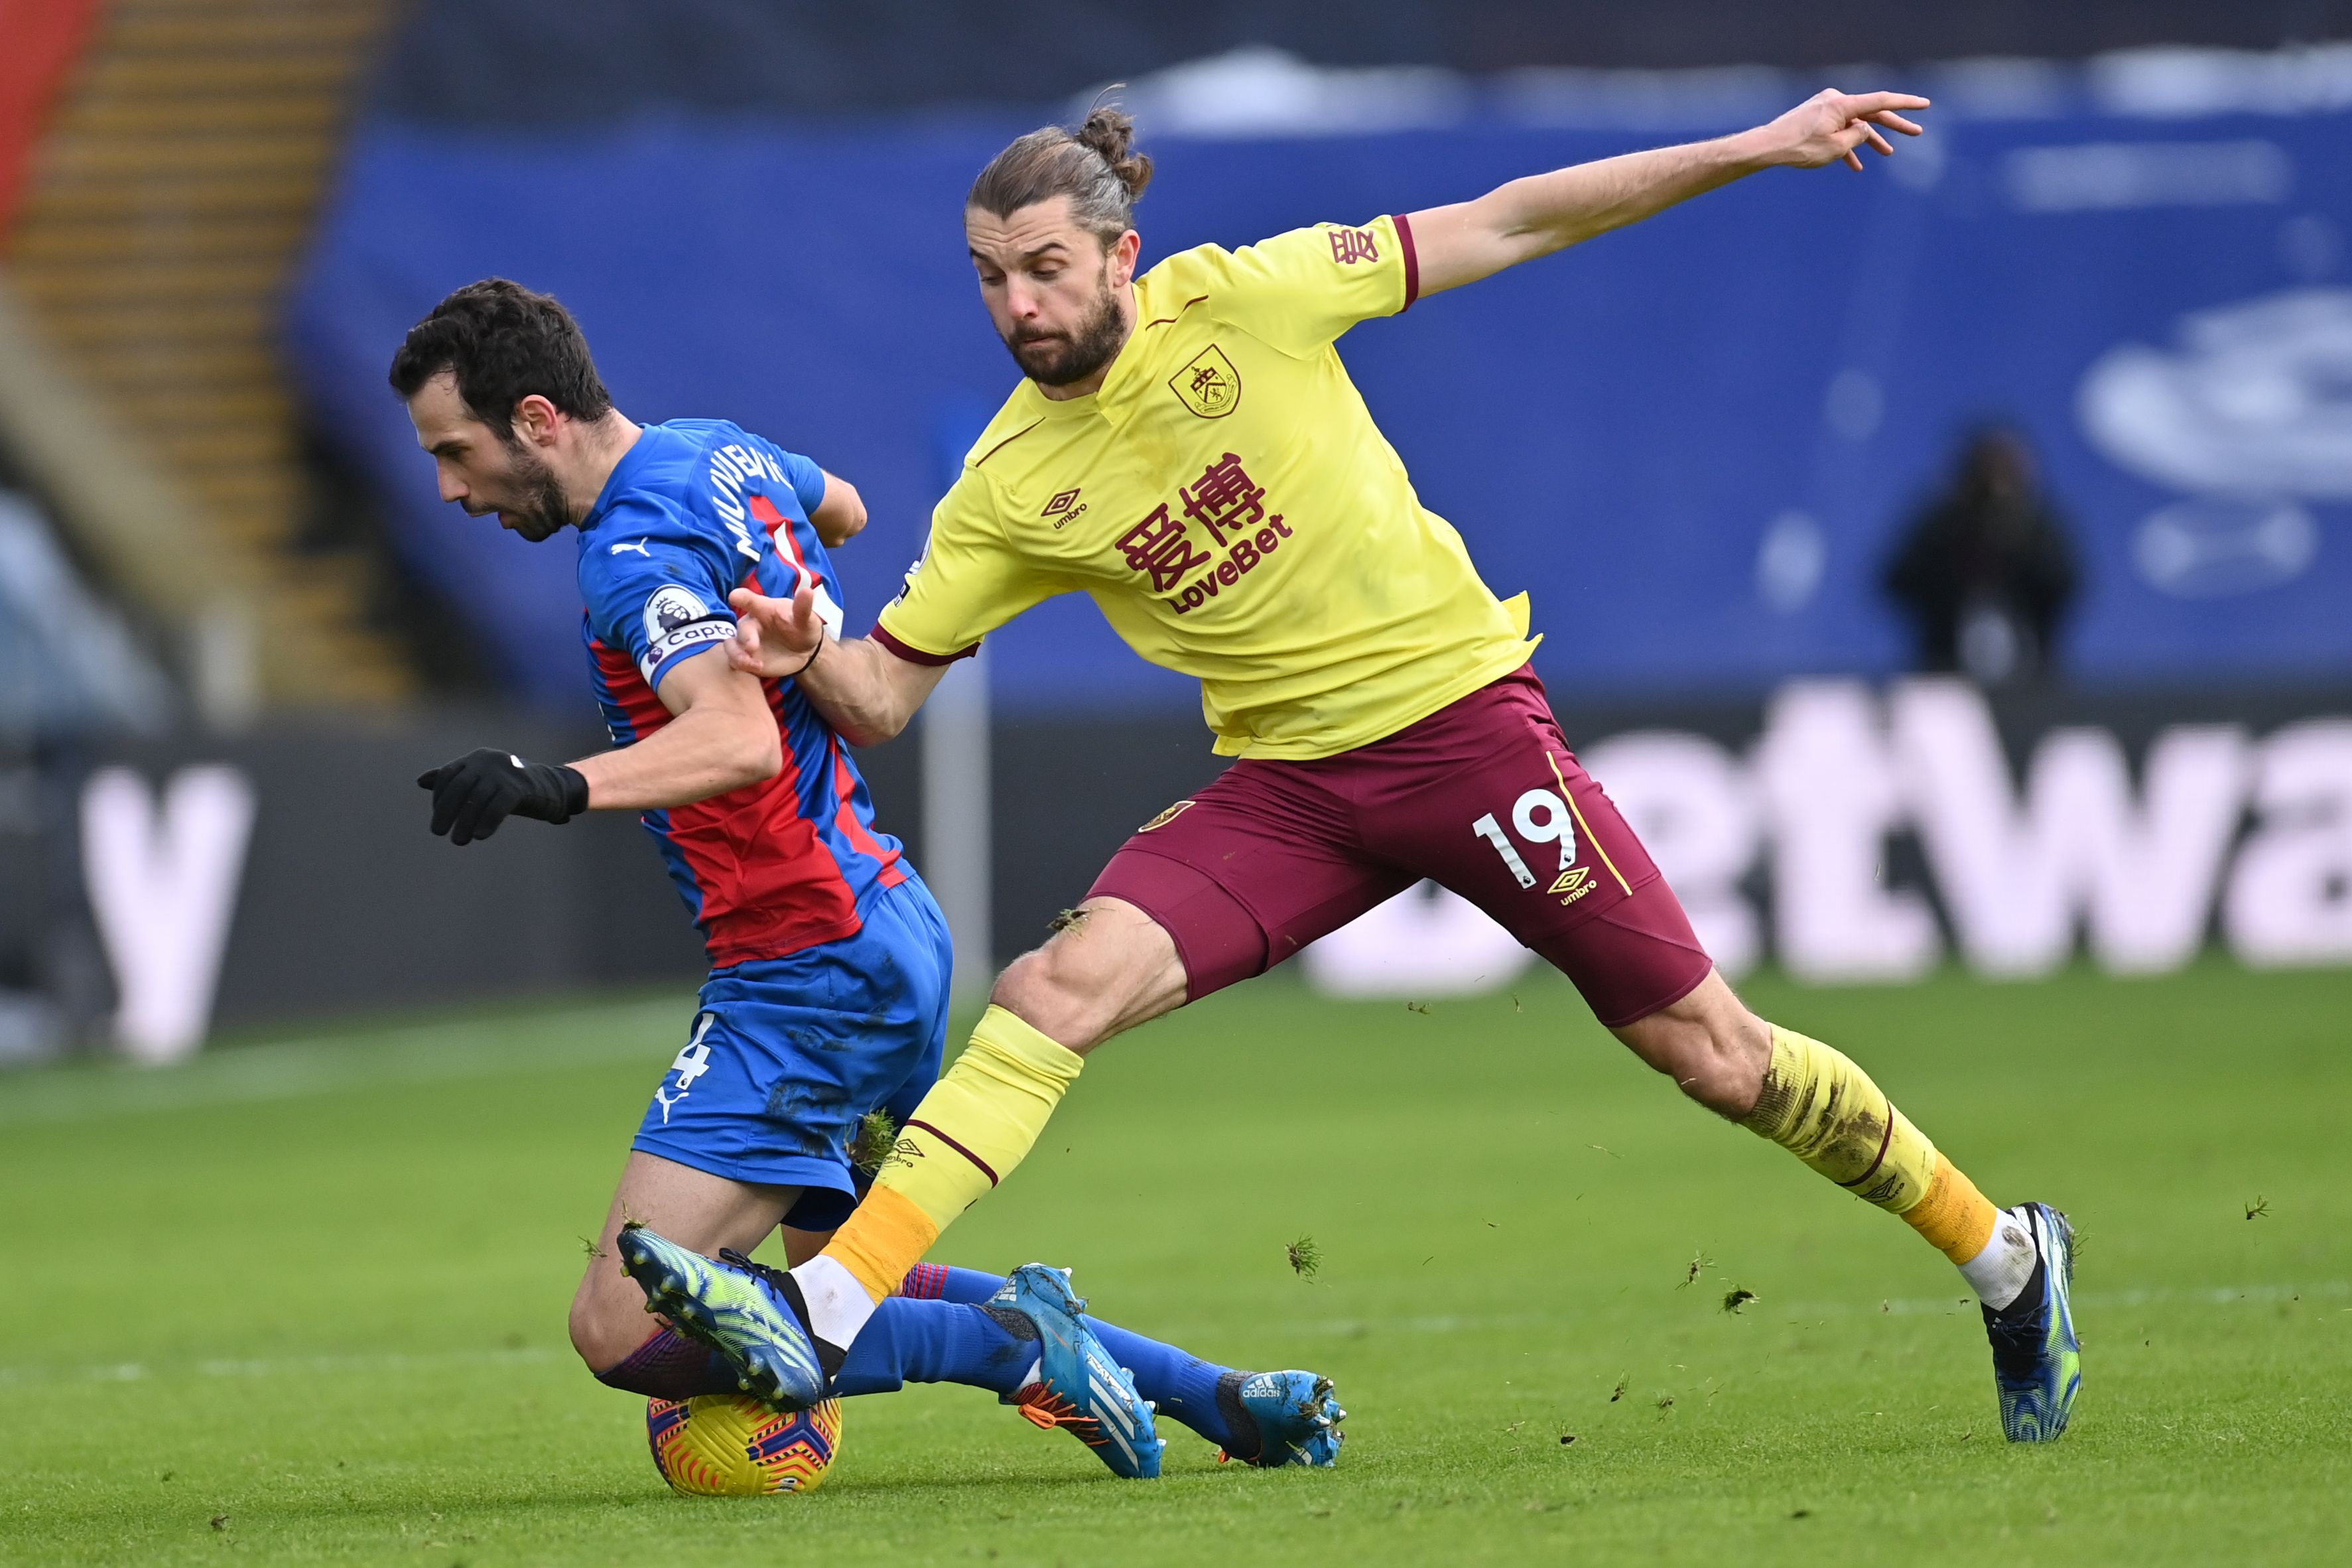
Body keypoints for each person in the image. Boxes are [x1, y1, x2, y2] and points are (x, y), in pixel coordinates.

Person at [695, 90, 2082, 1447]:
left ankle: (2007, 1259)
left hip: (1465, 733)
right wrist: (802, 629)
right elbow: (877, 693)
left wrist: (1758, 145)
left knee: (1716, 1058)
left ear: (1123, 255)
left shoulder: (1252, 299)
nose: (1018, 307)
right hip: (1291, 794)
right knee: (1052, 989)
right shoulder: (1007, 484)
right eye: (992, 278)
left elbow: (1516, 221)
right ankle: (826, 1306)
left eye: (1047, 269)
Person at [385, 279, 1344, 1476]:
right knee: (854, 1262)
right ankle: (1223, 1398)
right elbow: (841, 504)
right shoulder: (716, 450)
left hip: (803, 963)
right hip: (886, 923)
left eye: (455, 452)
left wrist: (550, 782)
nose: (448, 489)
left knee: (622, 1323)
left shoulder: (629, 556)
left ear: (535, 418)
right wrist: (795, 585)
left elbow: (732, 736)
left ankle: (1017, 1350)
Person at [1882, 426, 2080, 688]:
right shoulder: (1942, 524)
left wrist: (2016, 544)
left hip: (2030, 675)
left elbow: (2065, 584)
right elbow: (1898, 580)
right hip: (1946, 674)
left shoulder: (2037, 527)